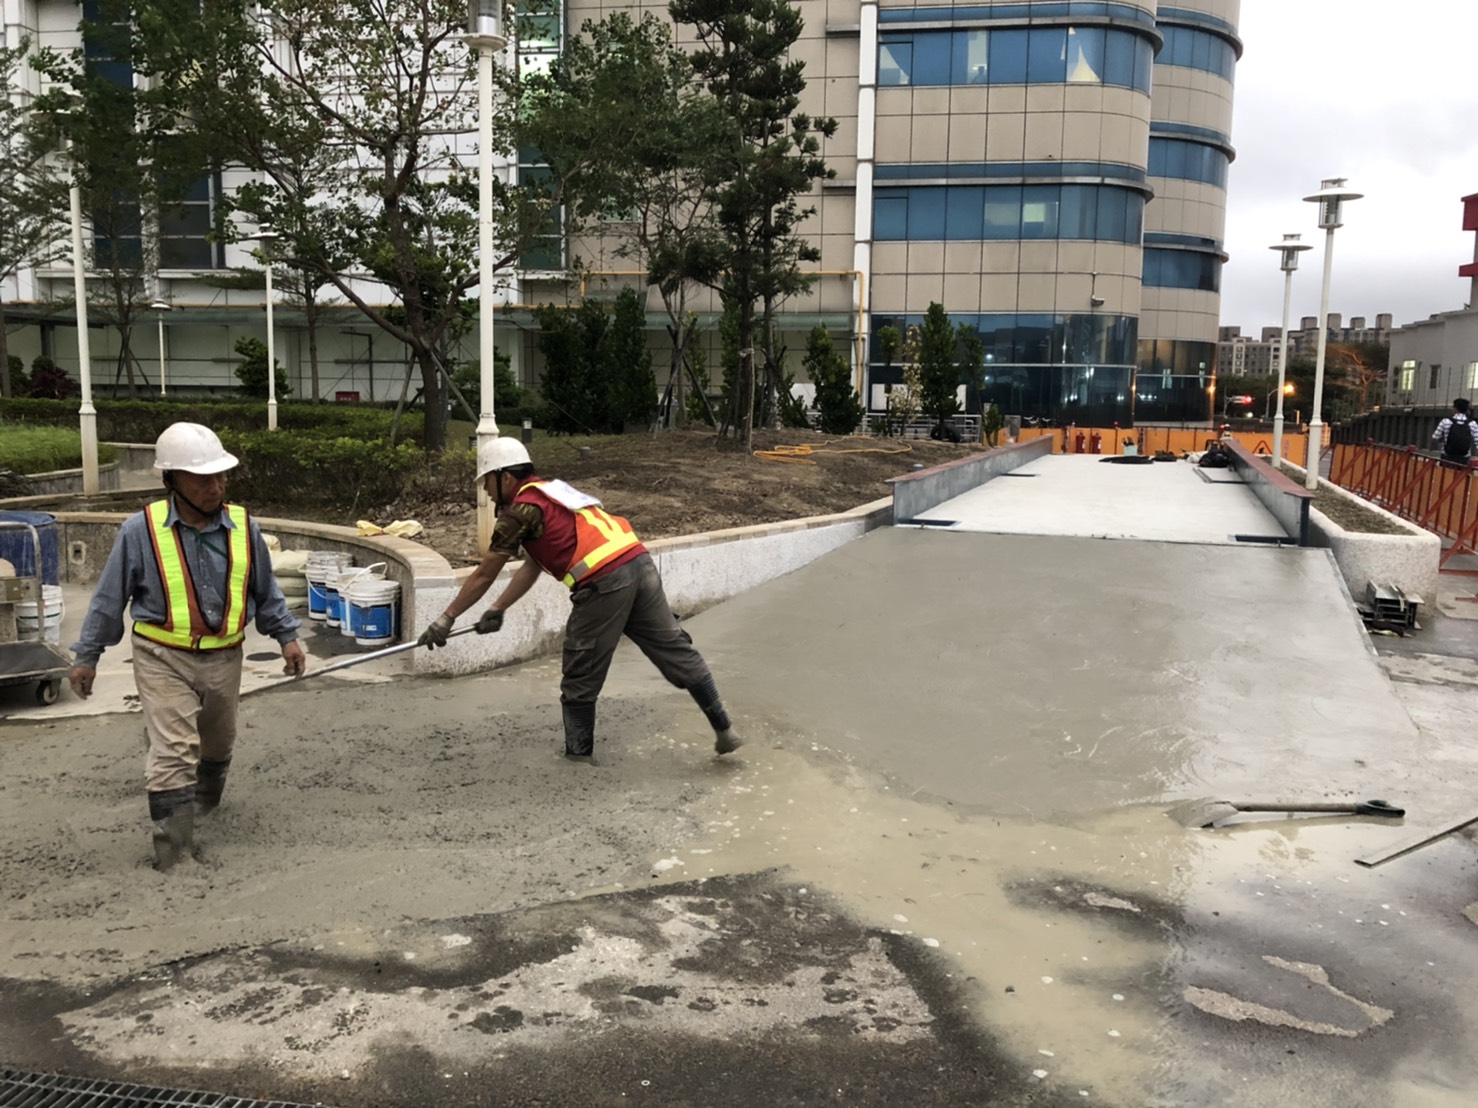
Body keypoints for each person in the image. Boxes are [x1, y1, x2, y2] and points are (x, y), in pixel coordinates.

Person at [68, 422, 306, 870]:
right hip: (162, 657)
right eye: (202, 479)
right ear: (171, 480)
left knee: (217, 743)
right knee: (174, 750)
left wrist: (287, 638)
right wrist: (87, 656)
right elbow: (108, 598)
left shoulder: (244, 528)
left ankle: (204, 809)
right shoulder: (140, 531)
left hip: (225, 657)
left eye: (221, 477)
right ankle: (174, 853)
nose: (215, 487)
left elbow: (266, 591)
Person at [418, 438, 742, 761]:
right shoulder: (553, 493)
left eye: (486, 481)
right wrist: (498, 608)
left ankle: (578, 761)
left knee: (580, 672)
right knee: (675, 650)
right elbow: (533, 566)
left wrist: (445, 619)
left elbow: (484, 574)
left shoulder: (519, 512)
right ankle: (725, 731)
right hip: (639, 564)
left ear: (504, 477)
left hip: (604, 581)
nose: (486, 491)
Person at [1432, 398, 1475, 465]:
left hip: (1447, 456)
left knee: (1444, 471)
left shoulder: (1445, 421)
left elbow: (1435, 437)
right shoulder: (1472, 424)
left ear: (1455, 409)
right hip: (1464, 458)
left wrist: (1443, 440)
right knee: (1461, 472)